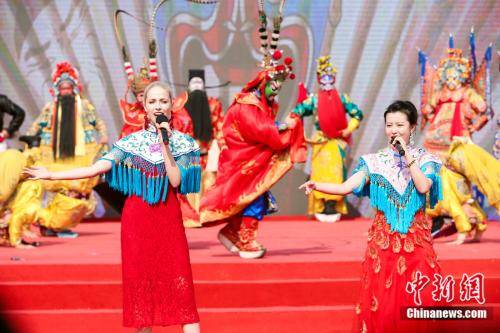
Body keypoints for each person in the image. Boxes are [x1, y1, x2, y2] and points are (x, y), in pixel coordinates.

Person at [24, 81, 201, 333]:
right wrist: (50, 174)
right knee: (142, 288)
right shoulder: (132, 143)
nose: (158, 106)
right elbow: (95, 168)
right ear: (144, 107)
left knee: (182, 285)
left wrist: (165, 146)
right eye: (152, 102)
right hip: (137, 221)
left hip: (168, 220)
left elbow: (175, 181)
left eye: (163, 101)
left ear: (172, 105)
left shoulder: (184, 143)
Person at [300, 101, 442, 332]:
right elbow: (347, 187)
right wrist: (319, 185)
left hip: (416, 245)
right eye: (389, 125)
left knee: (420, 298)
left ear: (413, 127)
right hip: (383, 246)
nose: (393, 130)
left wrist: (407, 155)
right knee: (383, 303)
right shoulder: (374, 162)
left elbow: (423, 186)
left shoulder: (426, 160)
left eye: (399, 124)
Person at [419, 35, 497, 244]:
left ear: (462, 76)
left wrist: (474, 125)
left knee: (458, 187)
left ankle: (465, 222)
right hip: (434, 144)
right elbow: (427, 108)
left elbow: (484, 110)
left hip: (456, 146)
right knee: (433, 183)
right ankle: (439, 220)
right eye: (449, 75)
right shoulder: (441, 94)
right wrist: (426, 110)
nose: (452, 80)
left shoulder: (468, 93)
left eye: (456, 75)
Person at [294, 55, 363, 222]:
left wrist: (349, 129)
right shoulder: (315, 99)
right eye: (323, 77)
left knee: (336, 173)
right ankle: (322, 204)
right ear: (319, 79)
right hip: (321, 141)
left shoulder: (342, 98)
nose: (326, 80)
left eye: (329, 77)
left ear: (333, 78)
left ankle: (332, 203)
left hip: (336, 142)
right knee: (320, 174)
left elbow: (357, 114)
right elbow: (300, 110)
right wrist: (300, 103)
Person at [172, 69, 224, 227]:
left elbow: (220, 126)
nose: (197, 86)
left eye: (199, 83)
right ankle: (188, 216)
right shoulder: (180, 105)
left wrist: (222, 145)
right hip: (187, 152)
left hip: (208, 151)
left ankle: (206, 215)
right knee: (188, 183)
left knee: (209, 182)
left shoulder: (213, 104)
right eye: (193, 83)